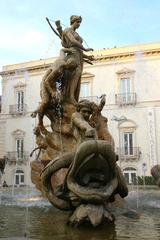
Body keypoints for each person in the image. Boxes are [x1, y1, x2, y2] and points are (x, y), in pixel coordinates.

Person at [31, 56, 78, 131]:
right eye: (73, 68)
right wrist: (52, 92)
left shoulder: (64, 67)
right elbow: (46, 81)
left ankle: (41, 111)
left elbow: (62, 51)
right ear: (70, 65)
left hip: (52, 84)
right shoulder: (59, 69)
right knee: (46, 101)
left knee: (60, 99)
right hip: (45, 83)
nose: (73, 70)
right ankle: (40, 123)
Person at [60, 15, 94, 105]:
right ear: (73, 22)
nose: (79, 24)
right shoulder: (67, 30)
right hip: (72, 55)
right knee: (77, 72)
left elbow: (78, 50)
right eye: (77, 22)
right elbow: (73, 41)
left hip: (78, 55)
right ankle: (71, 96)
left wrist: (87, 57)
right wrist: (85, 48)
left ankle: (74, 96)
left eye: (79, 22)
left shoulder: (77, 34)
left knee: (78, 75)